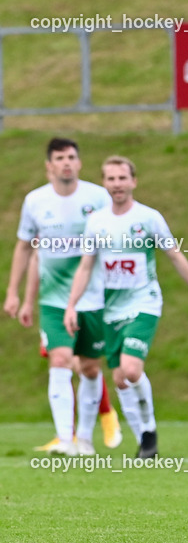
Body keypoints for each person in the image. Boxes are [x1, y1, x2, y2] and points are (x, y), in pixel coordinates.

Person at [64, 155, 188, 459]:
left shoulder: (148, 218)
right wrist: (71, 306)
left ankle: (149, 433)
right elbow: (85, 266)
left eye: (122, 178)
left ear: (133, 181)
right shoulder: (97, 222)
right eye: (111, 178)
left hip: (145, 302)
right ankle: (146, 436)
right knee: (120, 378)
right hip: (112, 309)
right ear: (104, 183)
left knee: (131, 369)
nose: (117, 184)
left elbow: (175, 255)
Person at [5, 138, 122, 456]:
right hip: (54, 299)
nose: (66, 163)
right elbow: (26, 248)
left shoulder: (97, 198)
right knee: (59, 360)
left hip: (94, 297)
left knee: (90, 368)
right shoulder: (35, 201)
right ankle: (65, 439)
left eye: (71, 157)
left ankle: (84, 438)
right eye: (59, 158)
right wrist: (16, 294)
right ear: (49, 166)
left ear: (79, 163)